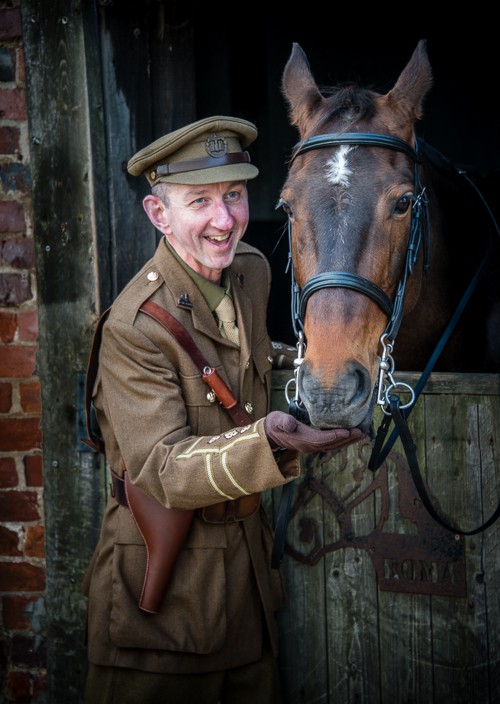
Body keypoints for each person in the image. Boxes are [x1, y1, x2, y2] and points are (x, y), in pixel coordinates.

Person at [82, 116, 364, 704]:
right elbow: (160, 469)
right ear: (159, 215)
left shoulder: (252, 273)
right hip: (165, 601)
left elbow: (249, 362)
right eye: (199, 202)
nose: (225, 219)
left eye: (233, 195)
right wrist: (273, 442)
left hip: (248, 589)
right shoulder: (135, 328)